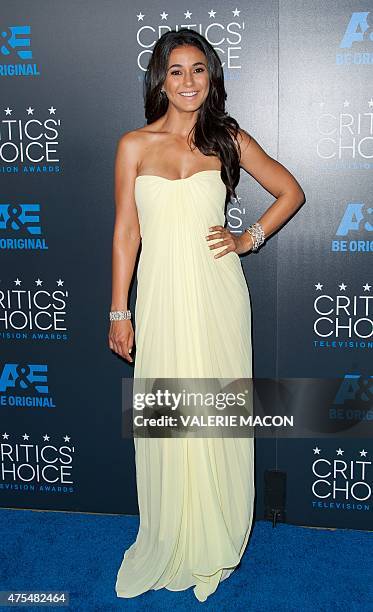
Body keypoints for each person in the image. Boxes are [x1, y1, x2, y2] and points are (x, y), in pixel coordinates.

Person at [109, 28, 304, 603]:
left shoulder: (227, 139)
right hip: (161, 296)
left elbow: (289, 191)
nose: (188, 81)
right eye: (176, 71)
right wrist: (119, 310)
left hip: (217, 293)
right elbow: (126, 233)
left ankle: (214, 534)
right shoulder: (133, 146)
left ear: (211, 78)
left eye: (199, 70)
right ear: (160, 79)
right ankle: (169, 534)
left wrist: (249, 238)